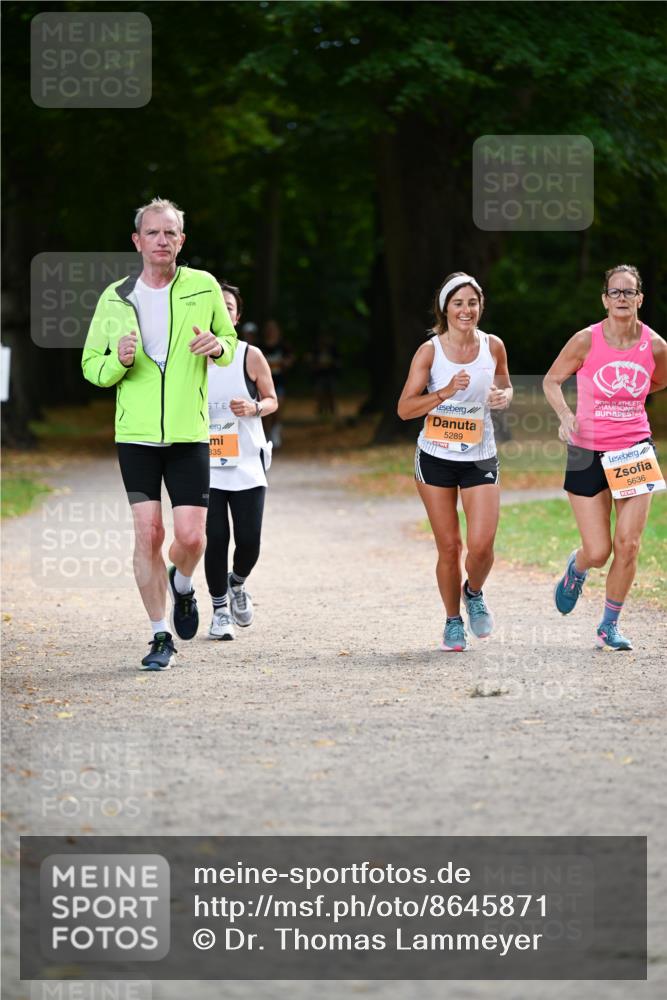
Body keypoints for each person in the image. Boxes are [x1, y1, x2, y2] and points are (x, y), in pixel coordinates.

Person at [82, 198, 238, 670]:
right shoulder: (115, 298)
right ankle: (159, 634)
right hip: (136, 436)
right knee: (148, 533)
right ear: (137, 241)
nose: (161, 240)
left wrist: (217, 346)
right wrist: (119, 361)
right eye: (152, 232)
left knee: (192, 538)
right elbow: (91, 366)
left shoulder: (203, 286)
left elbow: (229, 343)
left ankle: (182, 584)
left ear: (181, 241)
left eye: (170, 233)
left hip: (189, 434)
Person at [543, 264, 667, 651]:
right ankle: (577, 568)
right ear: (605, 299)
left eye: (629, 292)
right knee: (599, 551)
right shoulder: (585, 340)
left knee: (628, 544)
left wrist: (630, 400)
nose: (622, 298)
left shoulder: (656, 346)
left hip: (634, 449)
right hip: (587, 450)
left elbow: (659, 379)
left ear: (640, 299)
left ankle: (608, 626)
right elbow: (551, 380)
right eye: (615, 292)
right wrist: (566, 415)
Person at [397, 272, 512, 651]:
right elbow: (404, 408)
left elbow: (504, 386)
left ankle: (473, 592)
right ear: (445, 309)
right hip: (435, 458)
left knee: (482, 546)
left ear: (481, 306)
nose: (466, 310)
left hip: (480, 456)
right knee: (449, 547)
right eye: (458, 303)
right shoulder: (430, 352)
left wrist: (503, 397)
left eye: (472, 303)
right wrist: (444, 392)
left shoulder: (493, 346)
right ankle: (452, 621)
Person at [205, 282, 278, 640]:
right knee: (215, 538)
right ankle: (220, 610)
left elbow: (272, 400)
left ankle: (237, 582)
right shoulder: (188, 358)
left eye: (229, 307)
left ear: (236, 317)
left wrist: (254, 407)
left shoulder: (250, 355)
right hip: (204, 465)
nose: (222, 312)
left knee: (249, 541)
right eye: (215, 307)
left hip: (247, 462)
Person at [259, 319, 293, 448]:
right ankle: (267, 435)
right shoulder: (260, 346)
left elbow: (290, 359)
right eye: (269, 329)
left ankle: (275, 430)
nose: (271, 331)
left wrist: (285, 362)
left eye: (273, 329)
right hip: (263, 384)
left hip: (279, 382)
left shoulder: (283, 346)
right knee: (266, 412)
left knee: (278, 409)